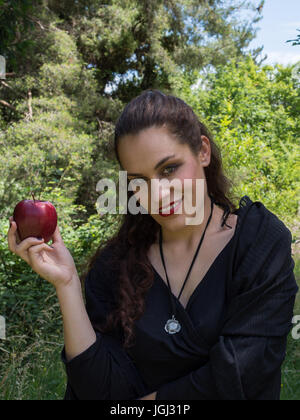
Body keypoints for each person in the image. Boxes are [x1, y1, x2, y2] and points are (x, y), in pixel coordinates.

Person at [7, 89, 298, 400]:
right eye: (139, 181)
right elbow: (95, 389)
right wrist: (66, 285)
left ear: (202, 151)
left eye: (169, 169)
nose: (156, 195)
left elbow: (244, 370)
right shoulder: (117, 264)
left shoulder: (260, 243)